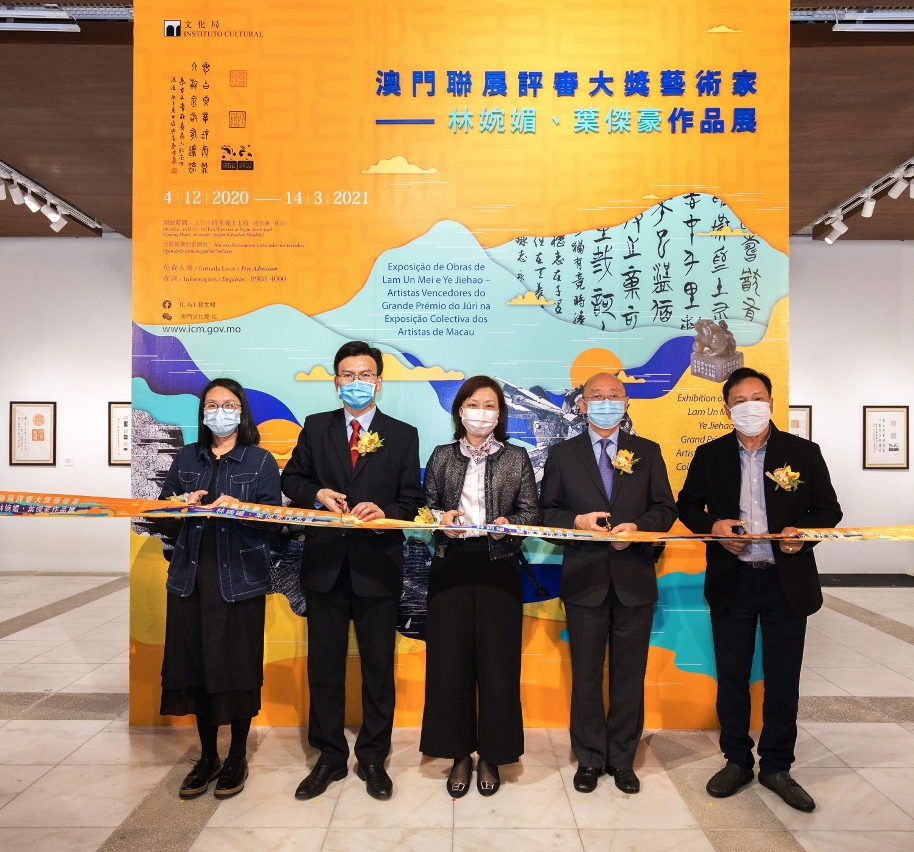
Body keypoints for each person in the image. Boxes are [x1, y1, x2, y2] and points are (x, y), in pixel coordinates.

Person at [677, 367, 842, 812]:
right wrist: (713, 527)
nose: (750, 407)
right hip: (732, 579)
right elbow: (687, 505)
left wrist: (801, 534)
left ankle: (776, 766)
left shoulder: (803, 452)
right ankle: (736, 761)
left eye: (758, 398)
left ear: (770, 402)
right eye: (740, 401)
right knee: (732, 676)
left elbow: (829, 510)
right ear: (726, 408)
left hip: (785, 582)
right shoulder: (710, 455)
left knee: (783, 679)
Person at [281, 341, 423, 801]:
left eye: (365, 375)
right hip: (324, 566)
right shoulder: (315, 426)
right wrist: (317, 493)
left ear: (379, 381)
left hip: (377, 567)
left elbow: (411, 500)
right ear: (335, 380)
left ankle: (373, 758)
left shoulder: (402, 434)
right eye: (347, 374)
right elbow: (291, 479)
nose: (356, 382)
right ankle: (329, 757)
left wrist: (384, 511)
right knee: (324, 667)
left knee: (378, 669)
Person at [539, 372, 676, 795]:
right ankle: (589, 758)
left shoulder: (647, 451)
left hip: (634, 579)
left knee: (628, 676)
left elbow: (665, 508)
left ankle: (622, 760)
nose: (605, 401)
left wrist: (638, 528)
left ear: (627, 402)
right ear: (582, 405)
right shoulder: (562, 454)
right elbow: (546, 514)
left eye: (613, 394)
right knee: (584, 676)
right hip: (584, 580)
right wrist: (577, 522)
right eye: (596, 396)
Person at [158, 377, 281, 800]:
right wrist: (179, 505)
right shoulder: (187, 456)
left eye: (229, 404)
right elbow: (159, 512)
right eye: (212, 405)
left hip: (239, 582)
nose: (220, 412)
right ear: (202, 412)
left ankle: (237, 757)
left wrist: (243, 508)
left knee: (237, 671)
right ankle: (208, 756)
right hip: (189, 579)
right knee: (197, 668)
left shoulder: (260, 461)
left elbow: (276, 522)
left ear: (241, 411)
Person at [419, 376, 539, 797]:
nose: (481, 412)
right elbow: (425, 507)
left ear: (500, 414)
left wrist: (511, 525)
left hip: (499, 568)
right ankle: (457, 754)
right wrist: (440, 521)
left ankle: (492, 754)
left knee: (498, 667)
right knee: (449, 666)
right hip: (450, 566)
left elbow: (530, 512)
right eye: (474, 404)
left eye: (490, 405)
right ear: (460, 410)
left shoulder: (516, 457)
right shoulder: (441, 455)